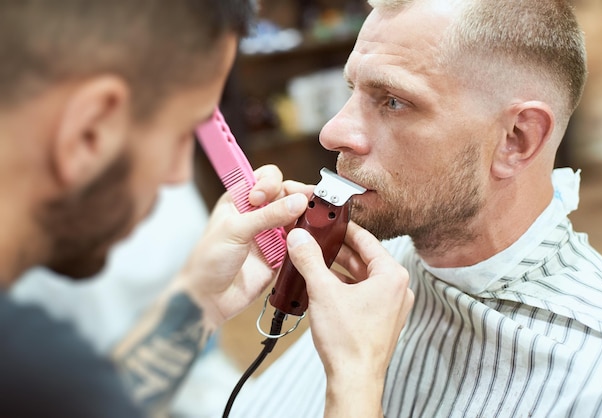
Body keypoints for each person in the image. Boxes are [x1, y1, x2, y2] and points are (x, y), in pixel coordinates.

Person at [0, 1, 414, 418]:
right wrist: (356, 377)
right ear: (89, 130)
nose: (177, 178)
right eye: (183, 134)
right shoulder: (32, 366)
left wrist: (201, 303)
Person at [226, 0, 602, 417]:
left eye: (394, 101)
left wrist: (353, 378)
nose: (333, 132)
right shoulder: (377, 269)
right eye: (353, 90)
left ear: (516, 139)